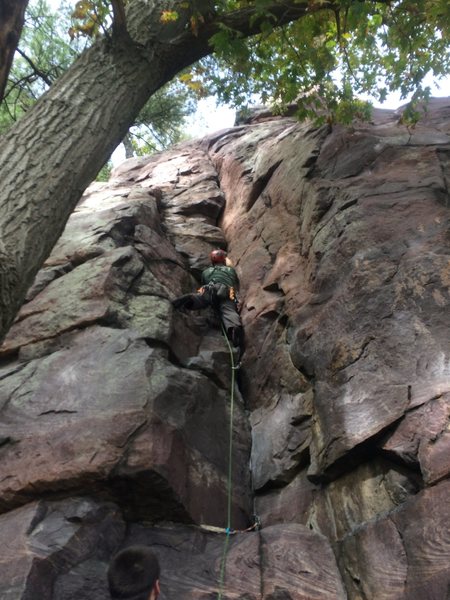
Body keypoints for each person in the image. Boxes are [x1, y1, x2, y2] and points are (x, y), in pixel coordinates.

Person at [172, 248, 245, 362]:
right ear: (223, 260)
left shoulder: (206, 272)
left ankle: (191, 299)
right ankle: (233, 328)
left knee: (202, 298)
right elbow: (234, 280)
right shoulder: (230, 270)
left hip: (209, 289)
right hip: (225, 291)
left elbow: (204, 281)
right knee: (228, 310)